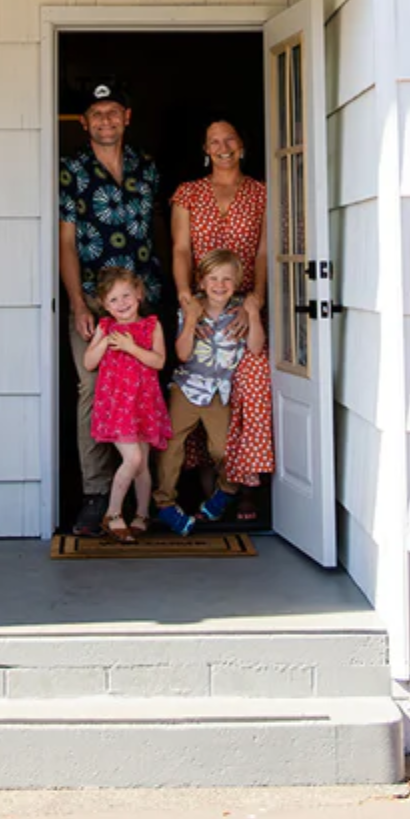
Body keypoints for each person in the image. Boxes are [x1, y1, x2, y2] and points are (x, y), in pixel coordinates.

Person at [59, 80, 165, 536]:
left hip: (144, 307)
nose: (106, 120)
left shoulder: (146, 167)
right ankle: (97, 494)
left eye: (113, 112)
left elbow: (157, 229)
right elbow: (65, 242)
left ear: (127, 117)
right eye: (96, 114)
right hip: (95, 306)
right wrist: (78, 302)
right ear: (84, 123)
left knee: (144, 390)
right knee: (93, 394)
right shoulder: (71, 170)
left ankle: (145, 495)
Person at [170, 120, 274, 520]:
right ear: (205, 149)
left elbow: (264, 252)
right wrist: (186, 298)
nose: (223, 146)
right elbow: (181, 248)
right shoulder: (189, 193)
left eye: (230, 138)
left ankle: (245, 485)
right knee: (197, 382)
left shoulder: (262, 192)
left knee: (250, 384)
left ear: (243, 145)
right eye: (214, 140)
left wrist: (256, 298)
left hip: (244, 304)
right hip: (201, 302)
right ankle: (206, 484)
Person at [154, 249, 258, 536]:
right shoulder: (190, 310)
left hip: (218, 392)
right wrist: (190, 320)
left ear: (237, 283)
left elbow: (257, 347)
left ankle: (226, 491)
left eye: (227, 279)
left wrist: (253, 312)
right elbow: (183, 354)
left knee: (223, 448)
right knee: (170, 445)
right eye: (213, 278)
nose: (220, 285)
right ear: (201, 282)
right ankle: (164, 504)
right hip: (187, 387)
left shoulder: (239, 313)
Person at [83, 266, 170, 543]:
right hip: (118, 405)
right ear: (104, 306)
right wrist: (106, 341)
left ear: (139, 294)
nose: (121, 304)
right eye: (113, 300)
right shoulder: (106, 327)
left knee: (142, 464)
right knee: (131, 458)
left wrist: (132, 348)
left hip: (143, 404)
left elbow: (158, 361)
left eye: (126, 296)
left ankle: (142, 514)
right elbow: (89, 363)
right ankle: (113, 513)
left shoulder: (151, 325)